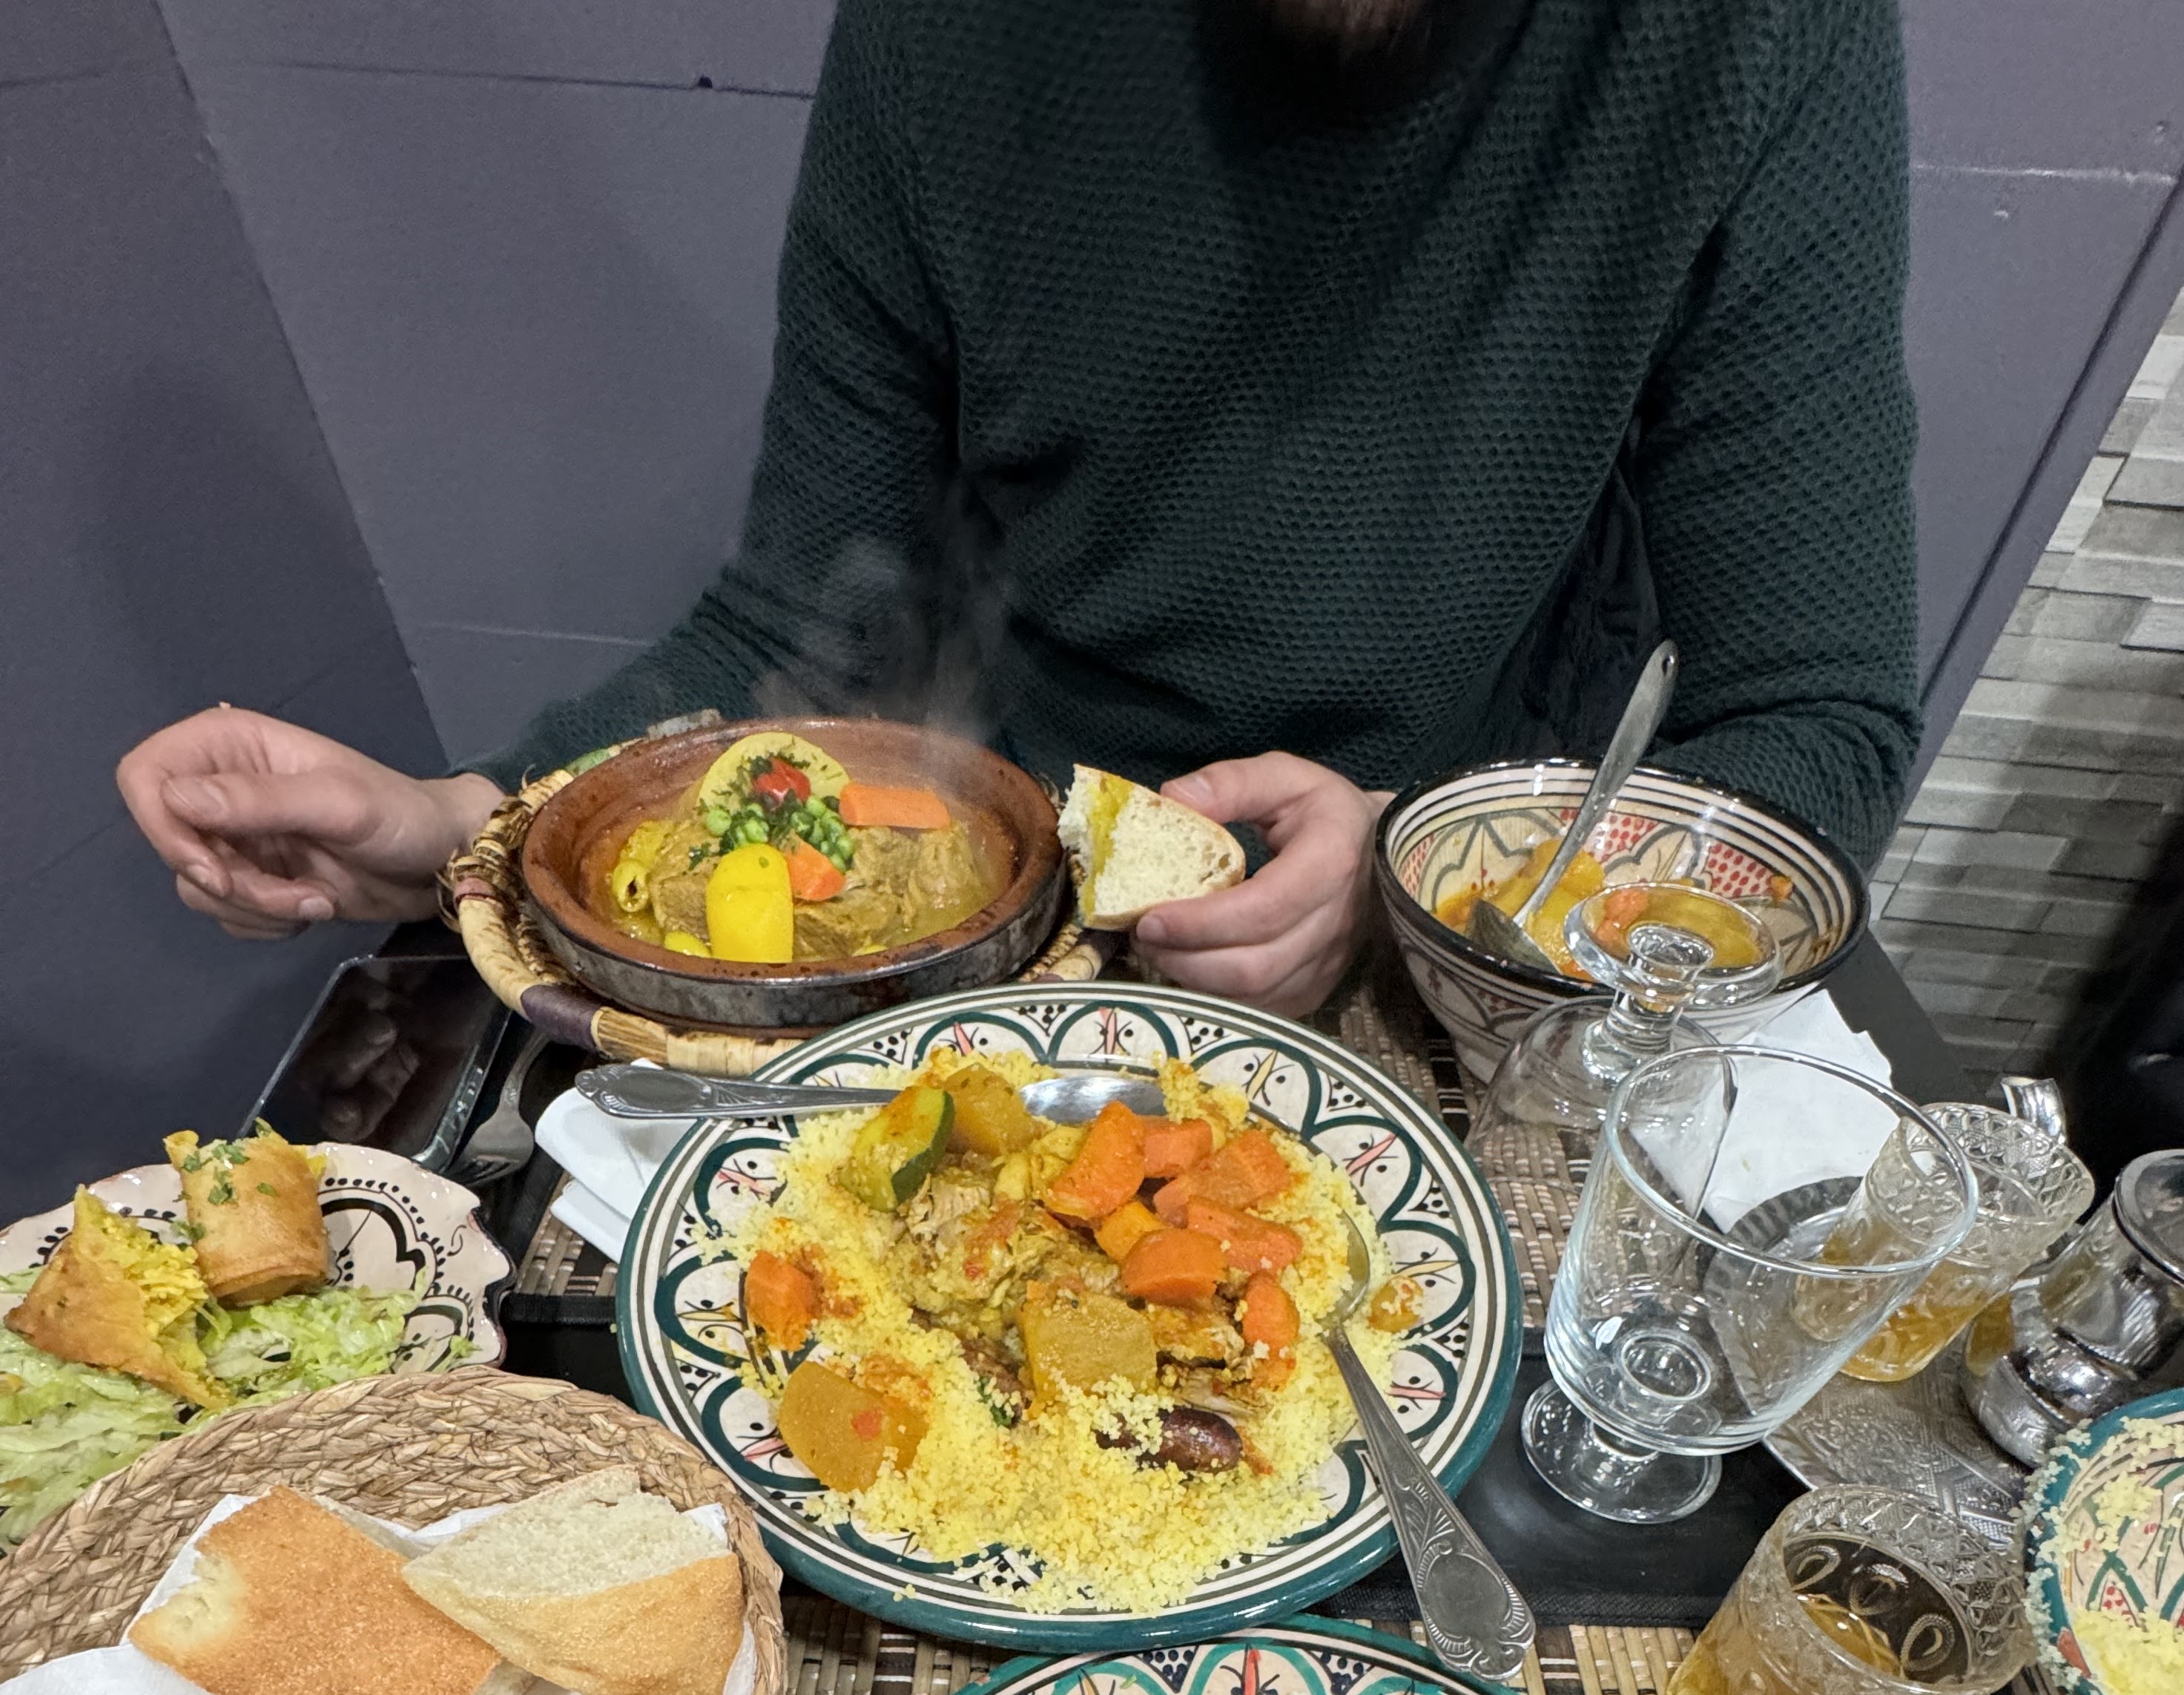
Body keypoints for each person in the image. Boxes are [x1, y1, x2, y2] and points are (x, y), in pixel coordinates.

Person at [118, 0, 1919, 1019]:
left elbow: (1814, 731)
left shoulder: (1756, 38)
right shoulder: (953, 33)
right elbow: (799, 625)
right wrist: (465, 832)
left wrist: (1422, 874)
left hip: (1472, 939)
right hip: (976, 911)